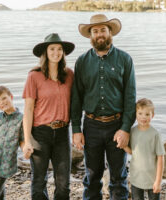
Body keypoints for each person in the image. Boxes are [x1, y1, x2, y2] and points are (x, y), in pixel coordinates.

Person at [71, 14, 136, 199]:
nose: (99, 34)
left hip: (116, 126)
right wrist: (76, 129)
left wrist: (125, 129)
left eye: (103, 30)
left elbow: (130, 97)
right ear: (91, 35)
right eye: (95, 31)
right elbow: (76, 98)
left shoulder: (125, 59)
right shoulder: (82, 61)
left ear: (110, 33)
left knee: (118, 177)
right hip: (91, 126)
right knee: (92, 177)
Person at [22, 33, 75, 200]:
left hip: (62, 133)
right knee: (38, 181)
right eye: (52, 49)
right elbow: (28, 110)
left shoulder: (69, 75)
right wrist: (27, 140)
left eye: (59, 49)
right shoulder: (34, 76)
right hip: (40, 133)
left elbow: (76, 103)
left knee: (63, 183)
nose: (56, 52)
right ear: (45, 53)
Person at [0, 86, 25, 200]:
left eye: (4, 98)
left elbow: (22, 139)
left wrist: (26, 149)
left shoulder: (22, 119)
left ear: (11, 97)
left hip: (6, 165)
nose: (2, 103)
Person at [123, 98, 165, 200]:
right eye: (140, 113)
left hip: (152, 179)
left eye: (147, 114)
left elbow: (160, 158)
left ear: (152, 115)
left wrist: (158, 181)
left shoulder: (155, 134)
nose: (143, 117)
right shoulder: (132, 131)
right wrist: (124, 146)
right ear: (135, 114)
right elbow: (133, 152)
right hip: (136, 178)